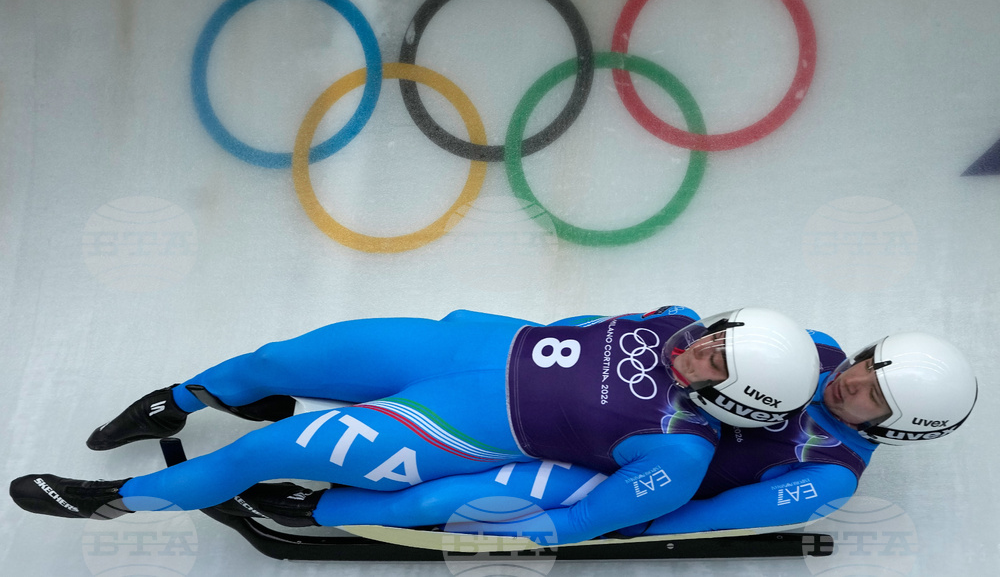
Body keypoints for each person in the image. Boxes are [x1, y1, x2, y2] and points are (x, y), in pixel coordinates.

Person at [10, 306, 820, 545]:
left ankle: (117, 500)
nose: (698, 349)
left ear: (736, 404)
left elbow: (575, 523)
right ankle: (188, 396)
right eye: (715, 336)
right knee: (284, 357)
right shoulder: (674, 319)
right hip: (459, 347)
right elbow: (571, 325)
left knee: (268, 450)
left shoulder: (677, 455)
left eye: (715, 363)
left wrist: (388, 513)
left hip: (450, 424)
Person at [222, 329, 976, 541]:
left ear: (900, 429)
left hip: (624, 477)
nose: (852, 381)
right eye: (870, 364)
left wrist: (585, 525)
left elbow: (682, 518)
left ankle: (320, 512)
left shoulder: (831, 477)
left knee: (452, 499)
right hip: (596, 416)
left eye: (875, 393)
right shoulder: (807, 347)